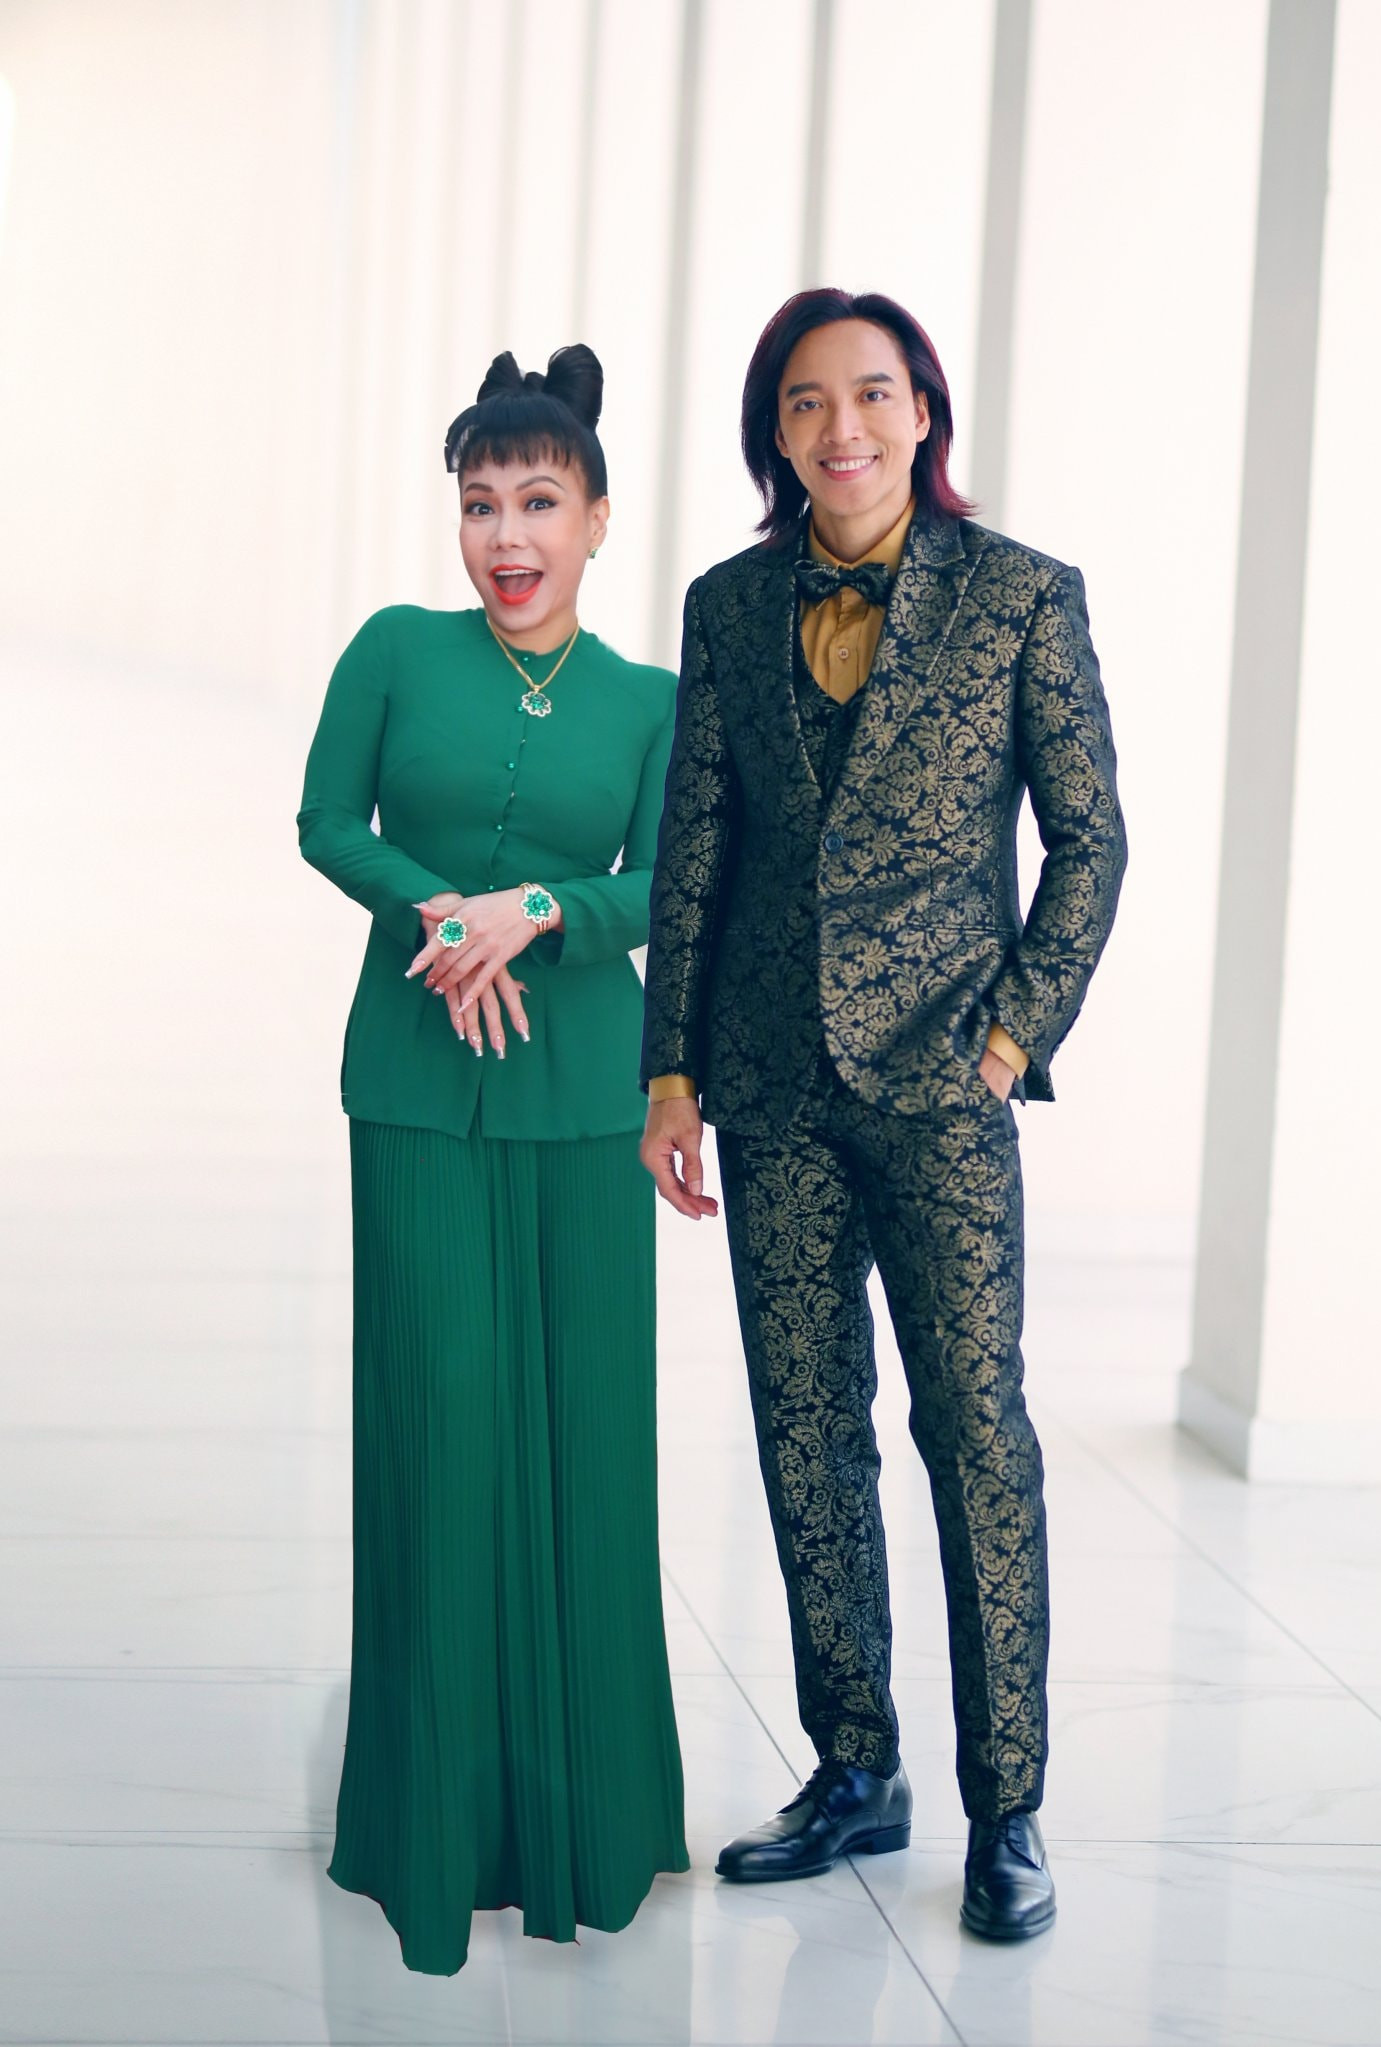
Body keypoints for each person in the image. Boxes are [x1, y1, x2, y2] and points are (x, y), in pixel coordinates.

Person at [640, 289, 1125, 1941]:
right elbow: (696, 849)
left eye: (866, 395)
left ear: (921, 411)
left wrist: (1010, 1037)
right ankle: (855, 1765)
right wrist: (670, 1071)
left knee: (974, 1435)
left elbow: (1090, 841)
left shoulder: (1021, 597)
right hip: (768, 1087)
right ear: (772, 435)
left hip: (940, 1094)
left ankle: (1009, 1809)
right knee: (804, 1430)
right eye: (802, 402)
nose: (837, 428)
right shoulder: (726, 607)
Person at [297, 345, 687, 1974]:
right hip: (410, 1089)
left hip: (586, 1100)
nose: (506, 537)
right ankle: (429, 1819)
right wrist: (440, 915)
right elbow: (329, 822)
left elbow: (672, 881)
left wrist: (538, 910)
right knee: (440, 1428)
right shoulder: (394, 649)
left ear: (597, 518)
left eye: (538, 503)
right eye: (479, 506)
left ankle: (588, 1818)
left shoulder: (653, 702)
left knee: (586, 1445)